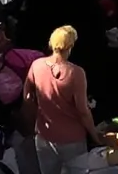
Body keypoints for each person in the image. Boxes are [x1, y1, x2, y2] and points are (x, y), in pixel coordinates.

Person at [22, 25, 100, 170]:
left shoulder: (36, 65)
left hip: (44, 137)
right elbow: (83, 110)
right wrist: (95, 136)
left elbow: (27, 97)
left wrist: (35, 121)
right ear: (70, 46)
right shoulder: (76, 73)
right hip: (73, 139)